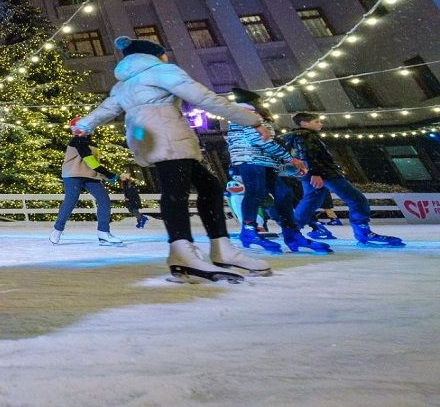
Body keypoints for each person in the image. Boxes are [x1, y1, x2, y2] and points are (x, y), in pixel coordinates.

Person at [73, 36, 273, 282]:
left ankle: (221, 249)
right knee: (175, 191)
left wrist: (84, 124)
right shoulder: (161, 71)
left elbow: (107, 108)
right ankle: (182, 253)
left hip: (147, 137)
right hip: (168, 135)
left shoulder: (124, 84)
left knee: (208, 186)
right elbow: (204, 98)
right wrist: (252, 119)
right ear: (156, 55)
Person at [224, 88, 329, 254]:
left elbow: (267, 142)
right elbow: (261, 141)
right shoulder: (246, 114)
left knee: (284, 193)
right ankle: (249, 231)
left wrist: (284, 163)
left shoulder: (253, 116)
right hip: (250, 160)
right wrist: (290, 158)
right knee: (255, 192)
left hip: (265, 162)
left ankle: (292, 234)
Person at [280, 112, 404, 247]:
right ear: (304, 123)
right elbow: (308, 154)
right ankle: (363, 231)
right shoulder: (306, 136)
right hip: (324, 173)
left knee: (311, 201)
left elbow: (304, 156)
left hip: (310, 173)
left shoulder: (297, 136)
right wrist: (316, 172)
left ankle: (292, 230)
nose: (320, 124)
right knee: (356, 198)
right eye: (316, 121)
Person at [51, 119, 127, 246]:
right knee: (71, 200)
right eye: (75, 129)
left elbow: (93, 163)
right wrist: (109, 174)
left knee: (104, 200)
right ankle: (57, 229)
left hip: (90, 176)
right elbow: (90, 160)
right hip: (73, 174)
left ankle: (103, 233)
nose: (77, 131)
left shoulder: (91, 143)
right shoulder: (77, 141)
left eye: (80, 128)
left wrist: (104, 175)